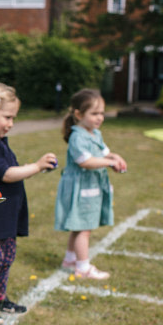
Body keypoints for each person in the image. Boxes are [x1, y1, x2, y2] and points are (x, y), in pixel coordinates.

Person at [0, 83, 57, 325]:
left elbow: (12, 171)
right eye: (7, 117)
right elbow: (6, 174)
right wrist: (35, 166)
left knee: (7, 258)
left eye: (13, 118)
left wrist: (36, 169)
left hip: (9, 213)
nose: (11, 123)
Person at [55, 88, 127, 279]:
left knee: (80, 226)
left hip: (90, 187)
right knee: (84, 228)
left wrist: (115, 157)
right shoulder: (77, 136)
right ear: (78, 114)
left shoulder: (95, 133)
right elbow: (85, 161)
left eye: (102, 113)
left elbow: (104, 153)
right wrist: (109, 162)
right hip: (81, 189)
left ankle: (70, 259)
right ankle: (83, 267)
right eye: (94, 113)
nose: (100, 118)